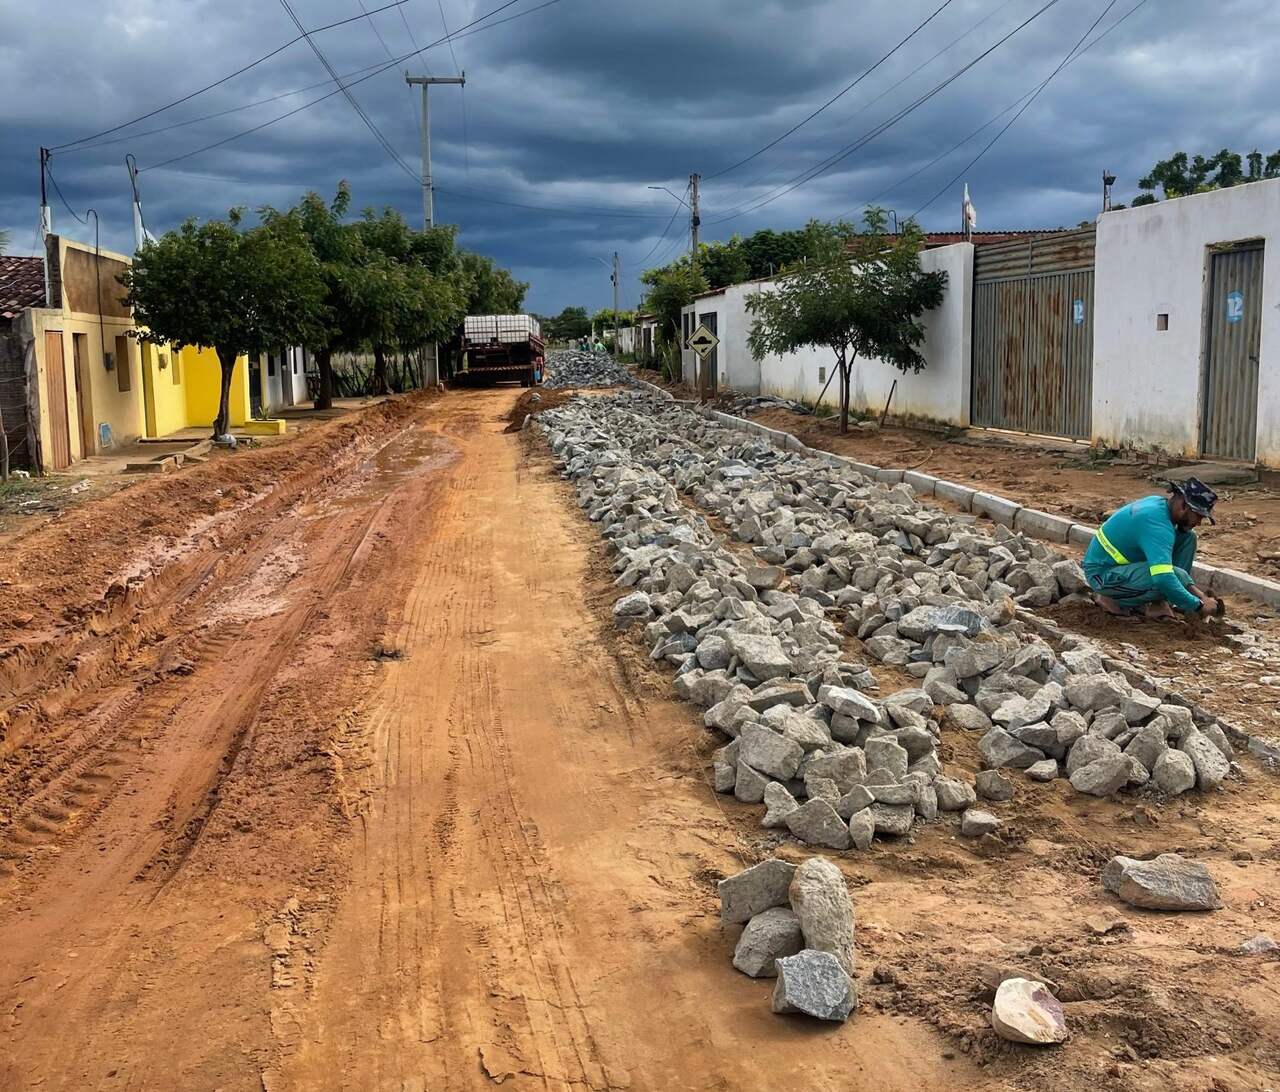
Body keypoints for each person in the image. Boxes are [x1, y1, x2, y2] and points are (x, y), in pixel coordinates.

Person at [1083, 478, 1222, 620]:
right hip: (1103, 575)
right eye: (1198, 516)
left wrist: (1199, 597)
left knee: (1188, 538)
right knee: (1170, 577)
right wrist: (1198, 604)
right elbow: (1163, 577)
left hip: (1123, 566)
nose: (1199, 522)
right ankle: (1111, 599)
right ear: (1184, 506)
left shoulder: (1160, 505)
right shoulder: (1158, 527)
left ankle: (1162, 601)